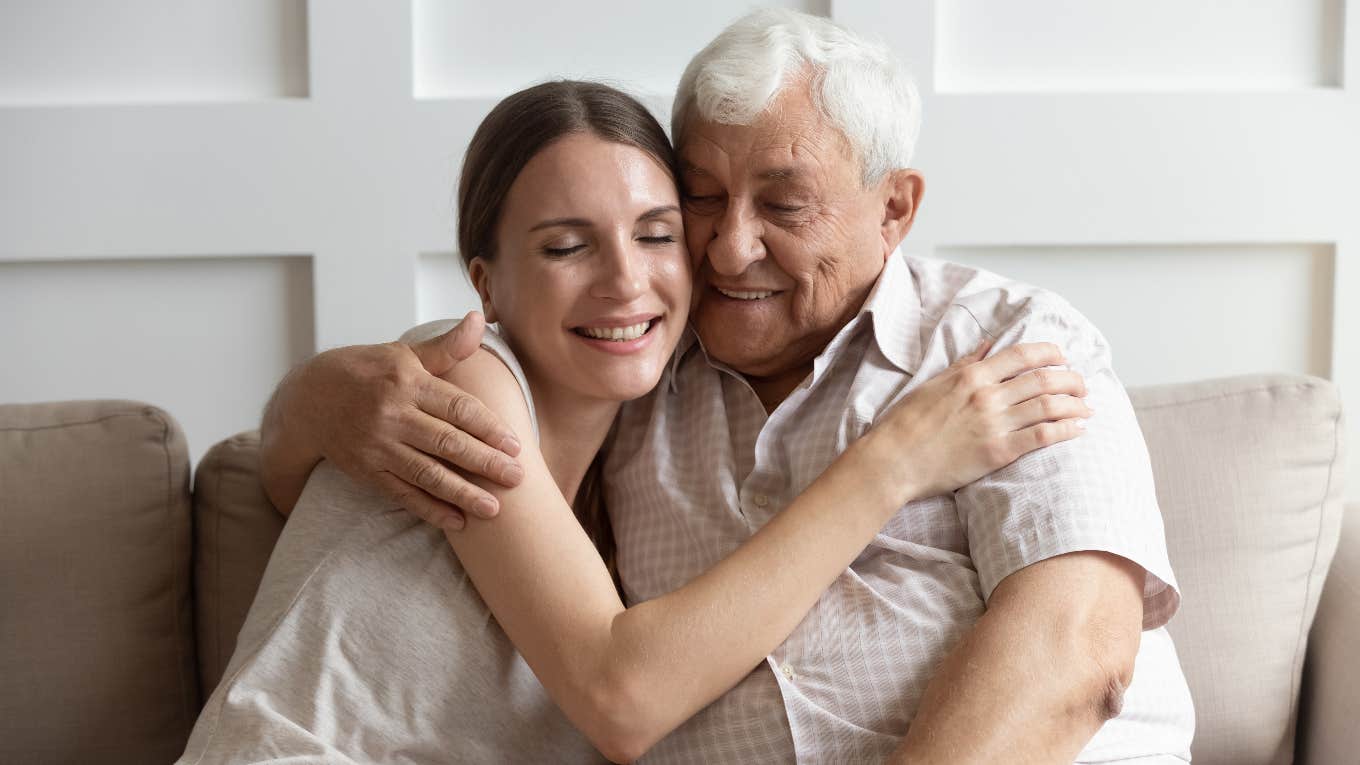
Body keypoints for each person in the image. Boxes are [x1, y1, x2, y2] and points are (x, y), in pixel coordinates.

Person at [181, 80, 1089, 764]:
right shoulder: (468, 380)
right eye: (567, 246)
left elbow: (288, 478)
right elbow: (623, 697)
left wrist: (304, 399)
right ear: (486, 282)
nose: (625, 280)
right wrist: (893, 461)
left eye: (657, 233)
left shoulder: (640, 461)